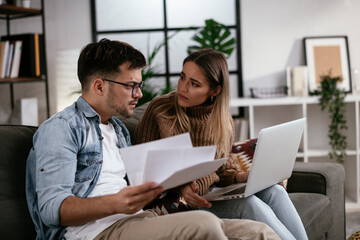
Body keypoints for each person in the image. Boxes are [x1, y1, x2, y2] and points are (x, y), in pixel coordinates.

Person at [25, 39, 280, 240]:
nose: (139, 93)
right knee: (205, 225)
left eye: (139, 84)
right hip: (94, 233)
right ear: (100, 86)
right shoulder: (61, 129)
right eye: (131, 86)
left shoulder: (118, 130)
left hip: (140, 220)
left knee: (260, 233)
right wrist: (116, 203)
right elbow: (51, 210)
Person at [134, 48, 308, 240]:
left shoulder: (222, 120)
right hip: (173, 202)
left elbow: (220, 170)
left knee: (275, 191)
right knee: (249, 204)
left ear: (215, 91)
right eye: (182, 77)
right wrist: (180, 186)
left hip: (210, 195)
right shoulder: (160, 110)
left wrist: (242, 177)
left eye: (194, 84)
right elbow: (143, 170)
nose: (183, 88)